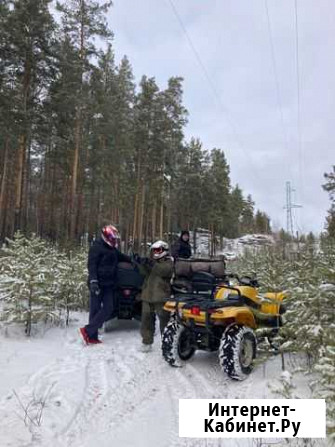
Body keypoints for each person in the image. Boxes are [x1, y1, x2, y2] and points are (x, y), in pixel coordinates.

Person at [79, 224, 132, 345]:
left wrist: (134, 259)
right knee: (95, 309)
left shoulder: (112, 249)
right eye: (112, 238)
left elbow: (121, 257)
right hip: (97, 283)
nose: (114, 241)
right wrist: (93, 281)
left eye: (115, 239)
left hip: (109, 284)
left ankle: (87, 330)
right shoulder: (96, 247)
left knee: (108, 307)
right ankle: (91, 337)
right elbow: (91, 265)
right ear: (106, 236)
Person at [138, 240, 173, 352]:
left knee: (164, 320)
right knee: (146, 320)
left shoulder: (169, 261)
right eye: (154, 250)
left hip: (161, 296)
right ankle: (147, 342)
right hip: (148, 295)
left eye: (158, 250)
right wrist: (140, 263)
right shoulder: (153, 261)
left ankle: (167, 343)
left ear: (164, 250)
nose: (155, 253)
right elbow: (143, 273)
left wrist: (151, 264)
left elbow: (164, 271)